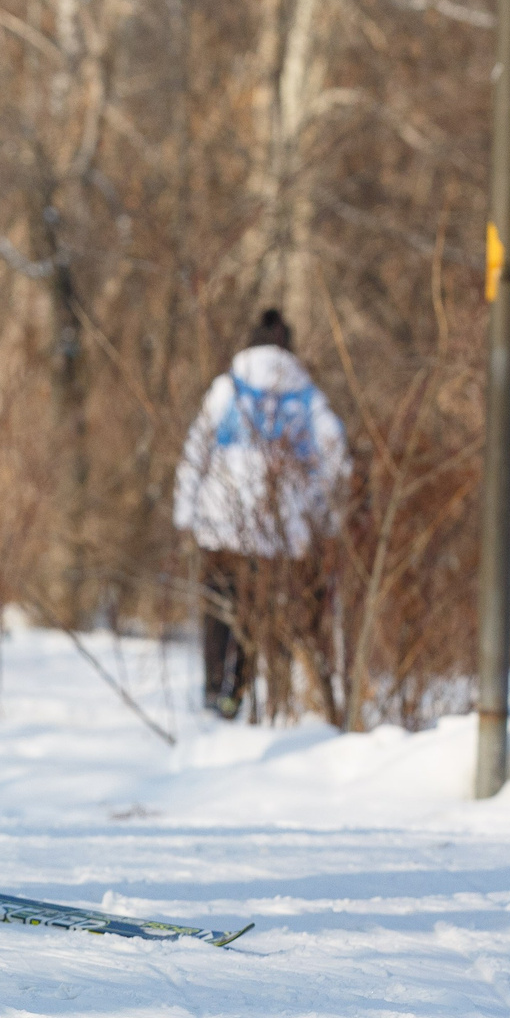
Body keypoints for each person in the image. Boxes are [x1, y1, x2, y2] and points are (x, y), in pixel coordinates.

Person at [171, 308, 350, 720]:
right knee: (263, 614)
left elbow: (197, 447)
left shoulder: (229, 387)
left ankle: (215, 690)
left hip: (221, 522)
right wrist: (324, 517)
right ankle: (246, 692)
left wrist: (186, 511)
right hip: (282, 531)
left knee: (220, 607)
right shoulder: (306, 395)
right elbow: (335, 456)